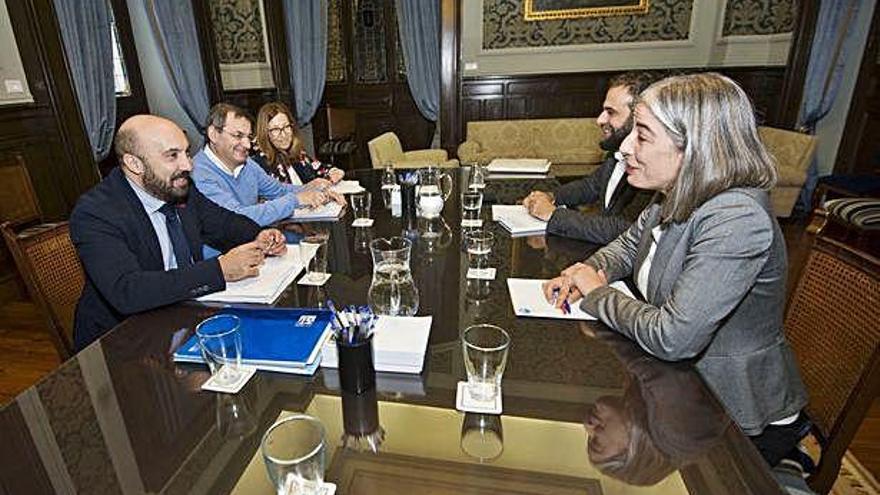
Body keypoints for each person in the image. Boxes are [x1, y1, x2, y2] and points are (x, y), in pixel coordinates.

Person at [543, 73, 810, 470]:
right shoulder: (678, 194)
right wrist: (588, 267)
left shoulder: (736, 218)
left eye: (643, 136)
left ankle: (789, 464)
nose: (626, 148)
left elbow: (673, 337)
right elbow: (629, 244)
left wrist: (598, 294)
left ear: (695, 147)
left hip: (732, 416)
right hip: (680, 391)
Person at [70, 115, 287, 350]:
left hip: (185, 317)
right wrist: (220, 270)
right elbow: (128, 290)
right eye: (172, 156)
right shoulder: (96, 212)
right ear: (135, 164)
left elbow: (223, 223)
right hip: (124, 343)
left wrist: (260, 234)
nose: (188, 165)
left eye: (186, 152)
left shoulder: (179, 188)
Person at [522, 72, 656, 244]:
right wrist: (550, 196)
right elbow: (589, 187)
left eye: (610, 112)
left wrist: (553, 215)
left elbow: (626, 229)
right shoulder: (615, 153)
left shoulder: (652, 168)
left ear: (638, 117)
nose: (600, 120)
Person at [191, 103, 343, 229]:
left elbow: (278, 190)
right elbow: (237, 218)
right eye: (238, 136)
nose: (247, 144)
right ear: (213, 134)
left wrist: (316, 190)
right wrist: (296, 200)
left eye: (249, 137)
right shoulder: (199, 174)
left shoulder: (247, 165)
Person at [253, 102, 345, 186]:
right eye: (276, 129)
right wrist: (309, 188)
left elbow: (319, 169)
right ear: (265, 133)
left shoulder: (297, 154)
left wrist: (334, 172)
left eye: (286, 126)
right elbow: (279, 196)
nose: (284, 134)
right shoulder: (259, 164)